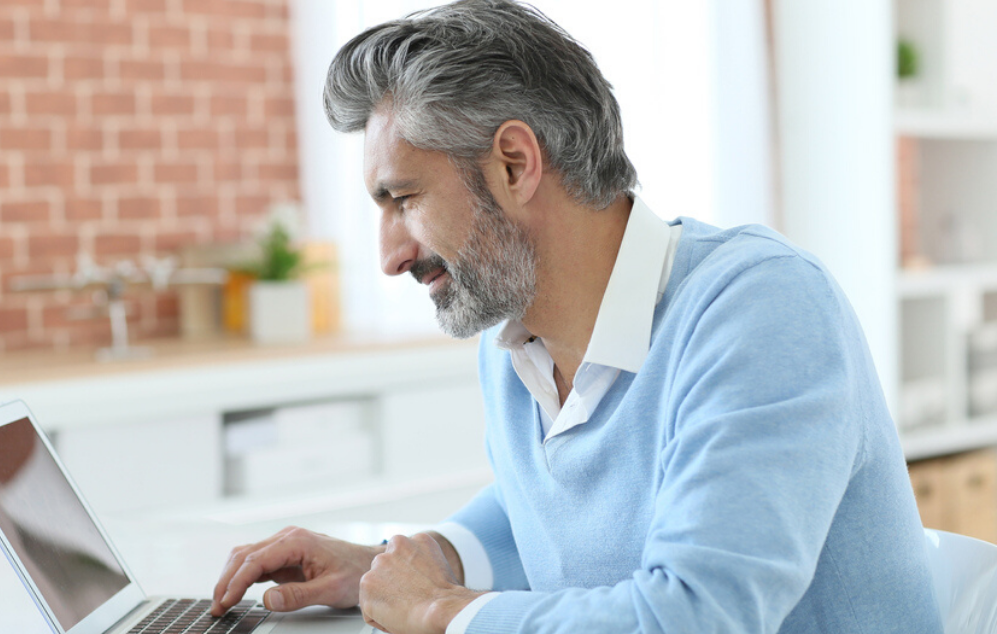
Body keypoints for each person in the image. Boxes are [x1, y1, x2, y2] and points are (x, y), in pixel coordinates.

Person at [210, 1, 942, 632]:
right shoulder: (513, 335)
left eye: (403, 199)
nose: (390, 257)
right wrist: (400, 566)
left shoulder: (762, 309)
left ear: (515, 164)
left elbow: (697, 617)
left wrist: (441, 611)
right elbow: (559, 518)